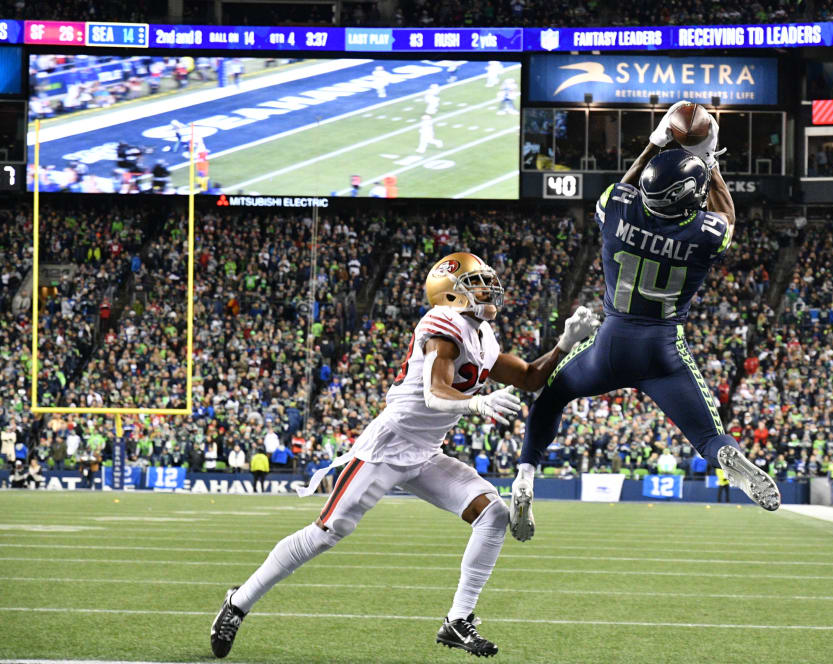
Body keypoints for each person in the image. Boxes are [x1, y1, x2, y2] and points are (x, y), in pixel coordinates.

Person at [211, 252, 600, 659]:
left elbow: (528, 377)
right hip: (388, 446)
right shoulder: (442, 326)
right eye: (476, 282)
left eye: (487, 281)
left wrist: (563, 344)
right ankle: (239, 602)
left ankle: (457, 619)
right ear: (450, 295)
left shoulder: (482, 335)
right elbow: (435, 393)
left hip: (426, 453)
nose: (488, 289)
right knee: (328, 530)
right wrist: (475, 404)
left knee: (494, 514)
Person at [509, 101, 779, 543]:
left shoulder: (617, 209)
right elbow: (727, 215)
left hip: (609, 343)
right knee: (708, 434)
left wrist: (654, 145)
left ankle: (525, 475)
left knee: (549, 397)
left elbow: (626, 185)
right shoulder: (704, 235)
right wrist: (709, 163)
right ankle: (727, 455)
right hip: (662, 349)